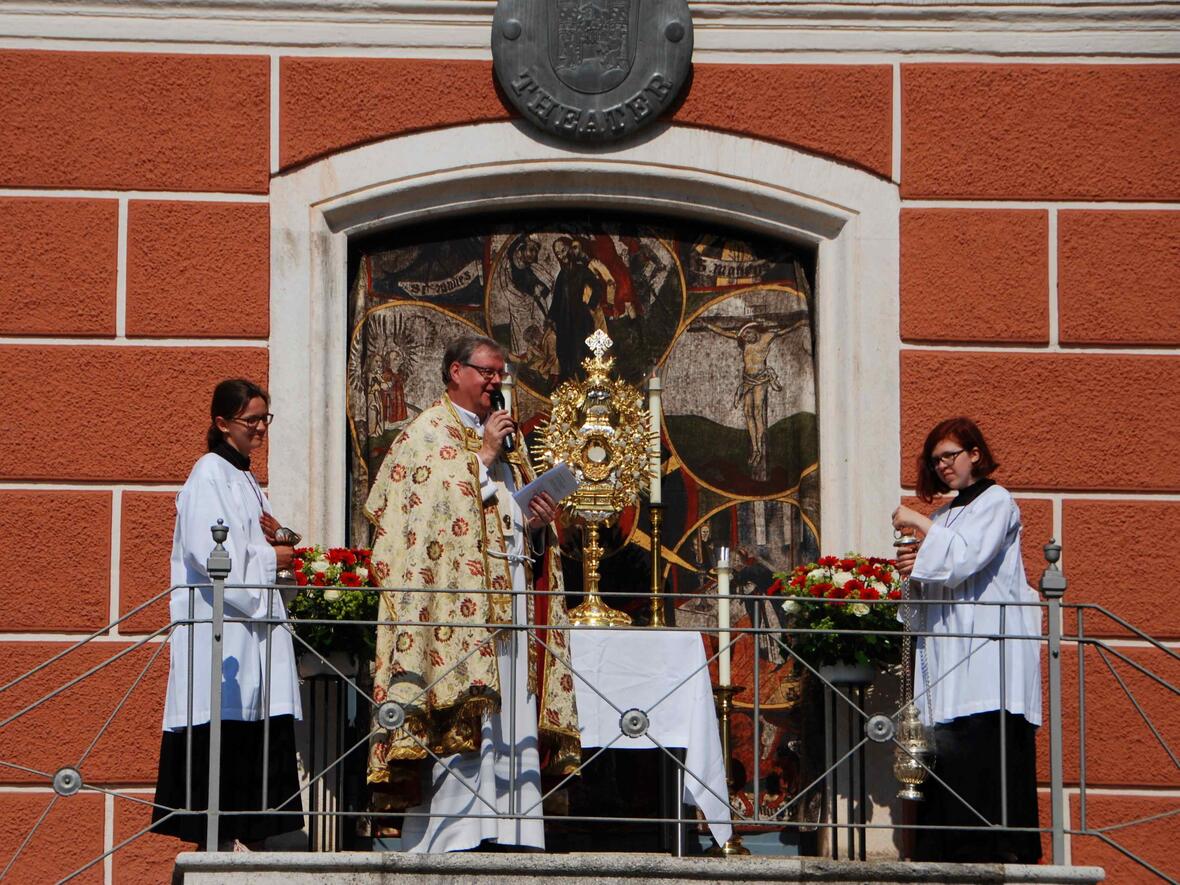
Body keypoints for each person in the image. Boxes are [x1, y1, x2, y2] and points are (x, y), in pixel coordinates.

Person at [364, 334, 580, 853]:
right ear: (455, 371)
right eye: (486, 371)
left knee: (511, 716)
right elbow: (429, 515)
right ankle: (455, 833)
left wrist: (531, 518)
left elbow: (501, 514)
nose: (493, 382)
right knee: (465, 713)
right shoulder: (426, 433)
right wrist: (482, 456)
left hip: (512, 602)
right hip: (454, 618)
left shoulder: (510, 443)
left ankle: (513, 829)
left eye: (499, 374)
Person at [151, 379, 302, 850]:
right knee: (224, 735)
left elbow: (255, 544)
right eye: (251, 420)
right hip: (224, 636)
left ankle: (245, 840)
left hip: (251, 631)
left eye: (264, 419)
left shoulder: (245, 479)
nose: (261, 429)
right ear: (222, 423)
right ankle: (216, 843)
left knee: (256, 736)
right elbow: (209, 554)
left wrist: (282, 542)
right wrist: (270, 559)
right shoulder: (208, 475)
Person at [891, 417, 1043, 864]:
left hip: (986, 654)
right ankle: (945, 848)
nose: (942, 466)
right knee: (946, 749)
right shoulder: (944, 515)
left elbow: (964, 559)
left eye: (950, 456)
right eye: (935, 460)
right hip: (946, 652)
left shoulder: (998, 502)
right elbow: (935, 578)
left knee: (982, 749)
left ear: (974, 454)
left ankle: (993, 847)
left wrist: (919, 523)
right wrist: (912, 573)